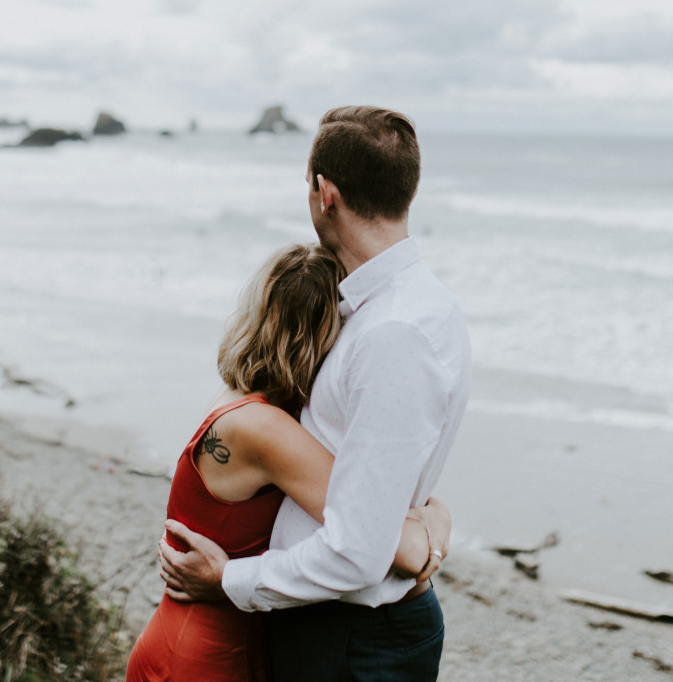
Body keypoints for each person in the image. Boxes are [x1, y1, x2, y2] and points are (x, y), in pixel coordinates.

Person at [159, 106, 472, 681]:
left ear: (324, 193)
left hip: (350, 638)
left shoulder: (392, 333)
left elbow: (358, 551)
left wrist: (227, 581)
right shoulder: (392, 310)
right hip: (329, 624)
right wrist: (431, 528)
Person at [126, 242, 452, 682]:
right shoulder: (265, 432)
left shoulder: (241, 398)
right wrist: (437, 520)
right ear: (328, 337)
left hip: (202, 640)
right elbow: (406, 550)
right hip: (208, 656)